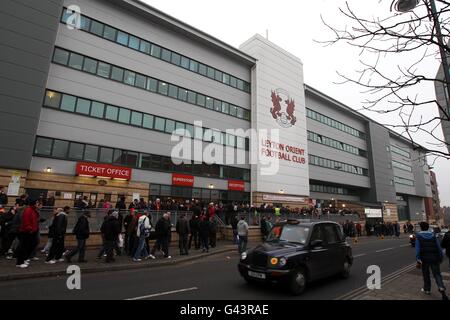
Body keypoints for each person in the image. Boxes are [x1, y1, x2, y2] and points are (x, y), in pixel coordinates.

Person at [416, 221, 448, 300]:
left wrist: (418, 259)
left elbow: (417, 250)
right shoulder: (433, 236)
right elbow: (439, 248)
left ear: (421, 228)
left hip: (424, 259)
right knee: (437, 274)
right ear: (428, 228)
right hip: (434, 258)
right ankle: (441, 287)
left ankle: (427, 289)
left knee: (426, 275)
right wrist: (441, 257)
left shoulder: (419, 237)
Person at [16, 199, 41, 268]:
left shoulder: (33, 210)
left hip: (32, 231)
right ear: (33, 203)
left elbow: (34, 220)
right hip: (27, 231)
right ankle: (19, 262)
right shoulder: (28, 210)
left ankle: (24, 259)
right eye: (37, 203)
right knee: (24, 247)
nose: (37, 204)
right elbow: (26, 221)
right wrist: (30, 229)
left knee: (33, 244)